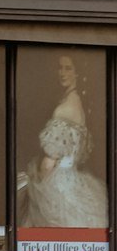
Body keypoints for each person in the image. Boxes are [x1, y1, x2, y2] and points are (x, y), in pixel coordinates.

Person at [18, 52, 108, 229]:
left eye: (68, 68)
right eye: (60, 68)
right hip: (74, 178)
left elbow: (48, 163)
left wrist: (40, 180)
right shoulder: (78, 104)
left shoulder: (65, 108)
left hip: (59, 181)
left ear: (77, 73)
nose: (62, 73)